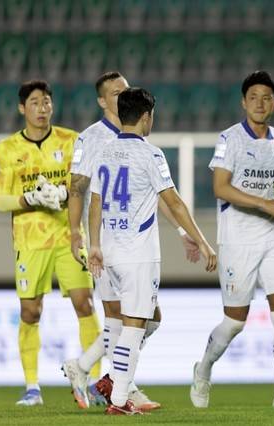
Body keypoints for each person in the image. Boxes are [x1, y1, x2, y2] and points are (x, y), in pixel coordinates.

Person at [61, 72, 199, 410]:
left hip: (126, 241)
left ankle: (95, 371)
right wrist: (76, 232)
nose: (122, 94)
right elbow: (78, 188)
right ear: (102, 101)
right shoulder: (91, 139)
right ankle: (122, 388)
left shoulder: (135, 140)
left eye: (125, 90)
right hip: (107, 242)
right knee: (122, 318)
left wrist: (182, 232)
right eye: (115, 92)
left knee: (146, 318)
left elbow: (157, 195)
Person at [87, 87, 217, 415]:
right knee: (133, 326)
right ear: (146, 117)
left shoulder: (103, 152)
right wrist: (202, 242)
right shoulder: (151, 154)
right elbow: (174, 201)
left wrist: (95, 245)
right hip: (138, 254)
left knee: (146, 318)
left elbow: (95, 202)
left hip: (109, 252)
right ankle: (119, 400)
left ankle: (115, 383)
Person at [190, 71, 274, 411]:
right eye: (253, 97)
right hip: (237, 237)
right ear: (244, 102)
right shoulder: (228, 139)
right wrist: (263, 204)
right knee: (235, 321)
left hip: (273, 235)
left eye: (266, 97)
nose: (260, 103)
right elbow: (220, 188)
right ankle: (203, 368)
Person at [0, 80, 100, 406]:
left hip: (69, 237)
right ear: (22, 108)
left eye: (47, 102)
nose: (42, 108)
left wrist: (65, 192)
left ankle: (95, 382)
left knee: (85, 304)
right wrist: (30, 198)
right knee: (30, 312)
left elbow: (84, 182)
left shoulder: (71, 140)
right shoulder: (7, 149)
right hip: (30, 241)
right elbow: (0, 201)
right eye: (35, 102)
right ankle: (32, 387)